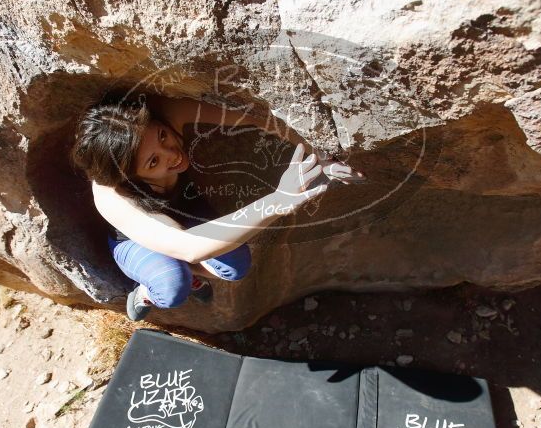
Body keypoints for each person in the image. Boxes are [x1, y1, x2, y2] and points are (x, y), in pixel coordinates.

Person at [69, 92, 363, 320]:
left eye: (163, 136)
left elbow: (256, 118)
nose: (172, 153)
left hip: (185, 218)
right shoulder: (112, 197)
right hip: (139, 239)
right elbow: (189, 246)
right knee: (172, 286)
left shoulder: (164, 112)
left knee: (235, 267)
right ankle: (148, 293)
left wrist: (317, 152)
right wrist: (278, 201)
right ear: (130, 176)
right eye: (153, 162)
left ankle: (187, 272)